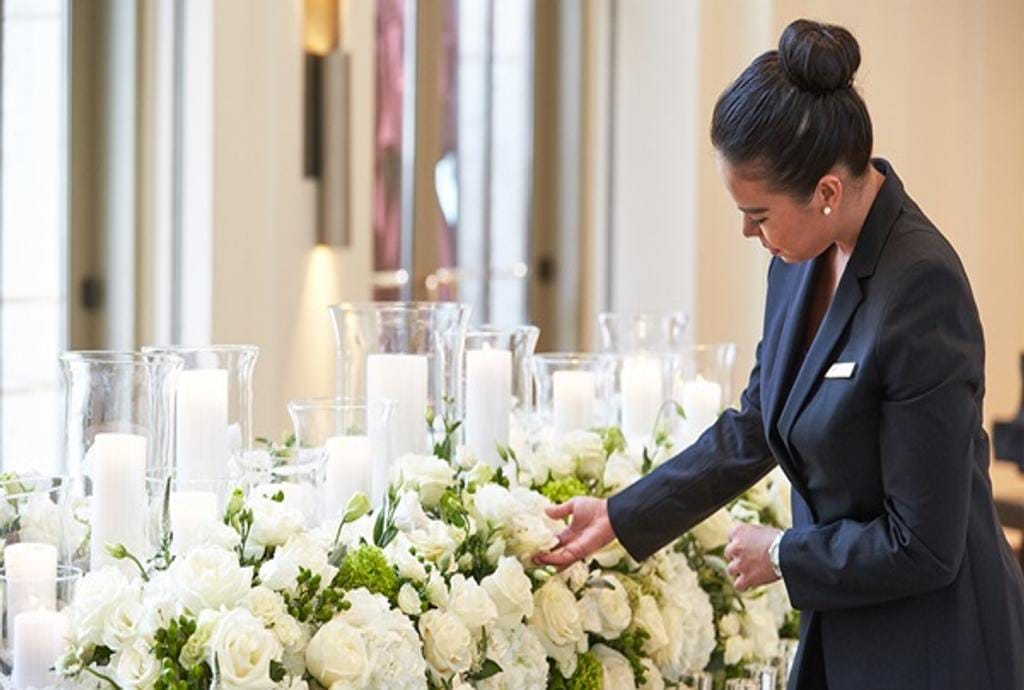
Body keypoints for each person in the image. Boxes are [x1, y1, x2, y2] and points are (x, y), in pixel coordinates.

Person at [536, 18, 1024, 690]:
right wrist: (622, 514)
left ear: (826, 192)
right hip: (843, 630)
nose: (746, 231)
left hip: (934, 648)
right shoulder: (797, 259)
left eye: (758, 214)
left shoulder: (922, 287)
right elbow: (759, 421)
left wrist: (784, 553)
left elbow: (924, 546)